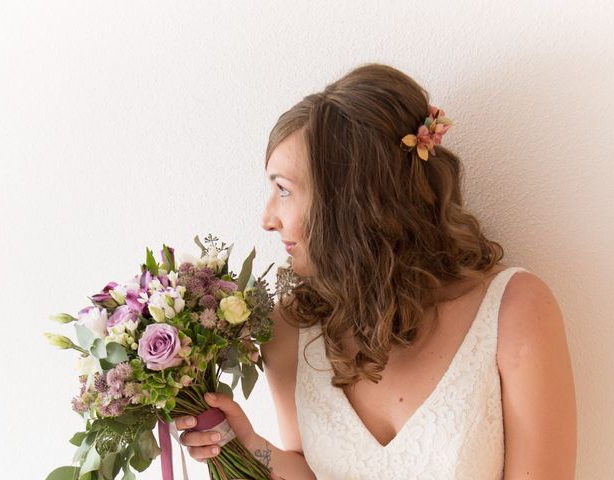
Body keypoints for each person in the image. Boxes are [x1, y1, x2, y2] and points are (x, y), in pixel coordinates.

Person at [176, 63, 577, 479]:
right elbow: (308, 471)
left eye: (284, 190)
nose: (267, 218)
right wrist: (250, 446)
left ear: (351, 202)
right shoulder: (290, 326)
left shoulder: (515, 311)